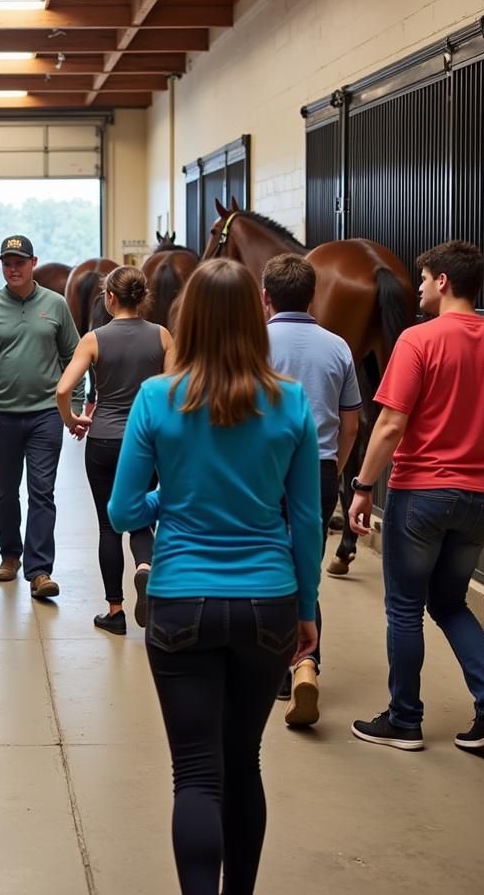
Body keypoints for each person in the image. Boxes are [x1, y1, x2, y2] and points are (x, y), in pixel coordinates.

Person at [109, 259, 321, 895]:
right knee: (243, 763)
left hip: (180, 599)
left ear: (187, 318)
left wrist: (168, 499)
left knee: (196, 774)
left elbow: (123, 510)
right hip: (268, 602)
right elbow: (307, 521)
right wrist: (306, 608)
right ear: (257, 315)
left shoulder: (157, 398)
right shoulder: (291, 402)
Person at [350, 240, 484, 752]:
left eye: (423, 277)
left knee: (406, 608)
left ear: (444, 282)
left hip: (423, 494)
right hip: (482, 497)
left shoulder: (418, 341)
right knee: (452, 604)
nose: (417, 287)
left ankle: (404, 720)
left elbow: (390, 425)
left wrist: (363, 487)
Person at [262, 253, 361, 726]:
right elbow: (352, 423)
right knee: (306, 568)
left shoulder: (252, 341)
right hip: (318, 471)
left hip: (259, 470)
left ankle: (280, 668)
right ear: (313, 295)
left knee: (265, 565)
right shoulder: (338, 347)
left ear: (266, 297)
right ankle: (307, 663)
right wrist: (336, 469)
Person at [0, 234, 84, 598]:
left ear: (34, 263)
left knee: (42, 492)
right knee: (5, 492)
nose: (12, 269)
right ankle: (10, 556)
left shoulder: (56, 305)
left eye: (19, 262)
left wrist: (74, 404)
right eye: (7, 263)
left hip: (47, 414)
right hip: (0, 416)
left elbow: (74, 357)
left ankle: (40, 571)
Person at [55, 265, 173, 633]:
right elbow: (172, 390)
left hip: (104, 439)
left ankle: (115, 611)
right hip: (148, 442)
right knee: (141, 516)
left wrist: (72, 419)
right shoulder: (163, 336)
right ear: (143, 299)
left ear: (109, 298)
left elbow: (62, 390)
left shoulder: (94, 338)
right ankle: (145, 567)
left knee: (108, 526)